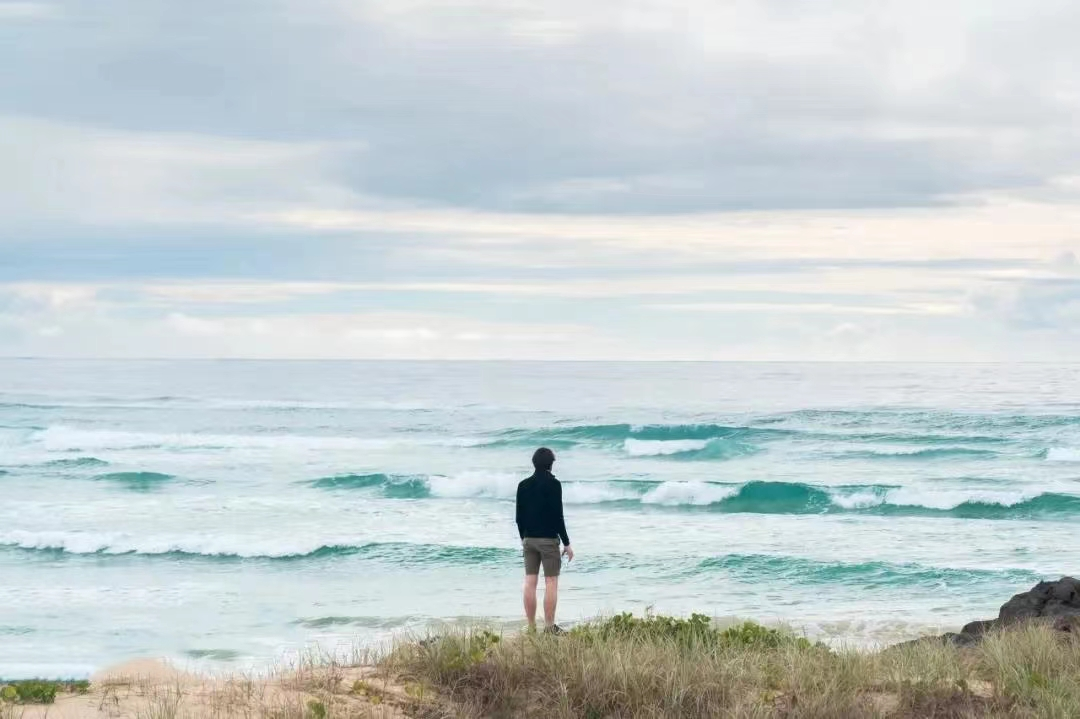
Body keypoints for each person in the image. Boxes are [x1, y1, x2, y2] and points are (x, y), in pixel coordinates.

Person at [516, 447, 574, 633]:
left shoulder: (523, 485)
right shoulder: (554, 485)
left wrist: (524, 538)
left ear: (534, 463)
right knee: (551, 582)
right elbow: (558, 517)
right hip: (548, 540)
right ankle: (549, 628)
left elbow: (519, 517)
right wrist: (566, 543)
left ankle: (531, 627)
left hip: (529, 539)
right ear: (551, 464)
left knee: (530, 582)